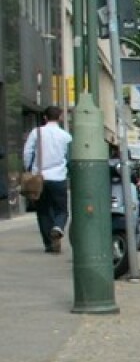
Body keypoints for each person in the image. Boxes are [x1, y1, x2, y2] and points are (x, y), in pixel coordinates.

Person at [22, 106, 73, 253]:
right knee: (62, 210)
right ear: (60, 117)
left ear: (45, 117)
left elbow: (27, 152)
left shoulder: (36, 132)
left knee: (43, 211)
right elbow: (69, 158)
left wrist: (29, 169)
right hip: (59, 177)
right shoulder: (66, 136)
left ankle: (49, 244)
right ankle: (58, 227)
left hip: (40, 178)